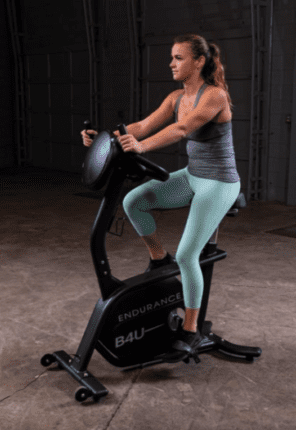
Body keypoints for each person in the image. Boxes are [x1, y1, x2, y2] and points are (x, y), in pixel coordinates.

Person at [81, 33, 240, 356]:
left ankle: (191, 329)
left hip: (220, 182)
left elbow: (182, 129)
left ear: (199, 61)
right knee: (133, 201)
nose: (171, 63)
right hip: (194, 176)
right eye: (172, 57)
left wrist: (141, 147)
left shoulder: (215, 97)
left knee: (187, 256)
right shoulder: (175, 98)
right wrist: (105, 138)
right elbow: (142, 126)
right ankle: (158, 257)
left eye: (178, 58)